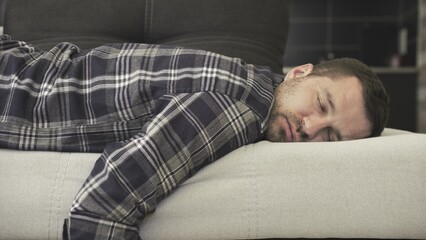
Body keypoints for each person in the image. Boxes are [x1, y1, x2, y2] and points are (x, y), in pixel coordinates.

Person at [0, 35, 389, 239]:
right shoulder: (238, 111)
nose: (310, 129)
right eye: (321, 105)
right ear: (300, 72)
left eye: (332, 138)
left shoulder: (249, 77)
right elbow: (100, 210)